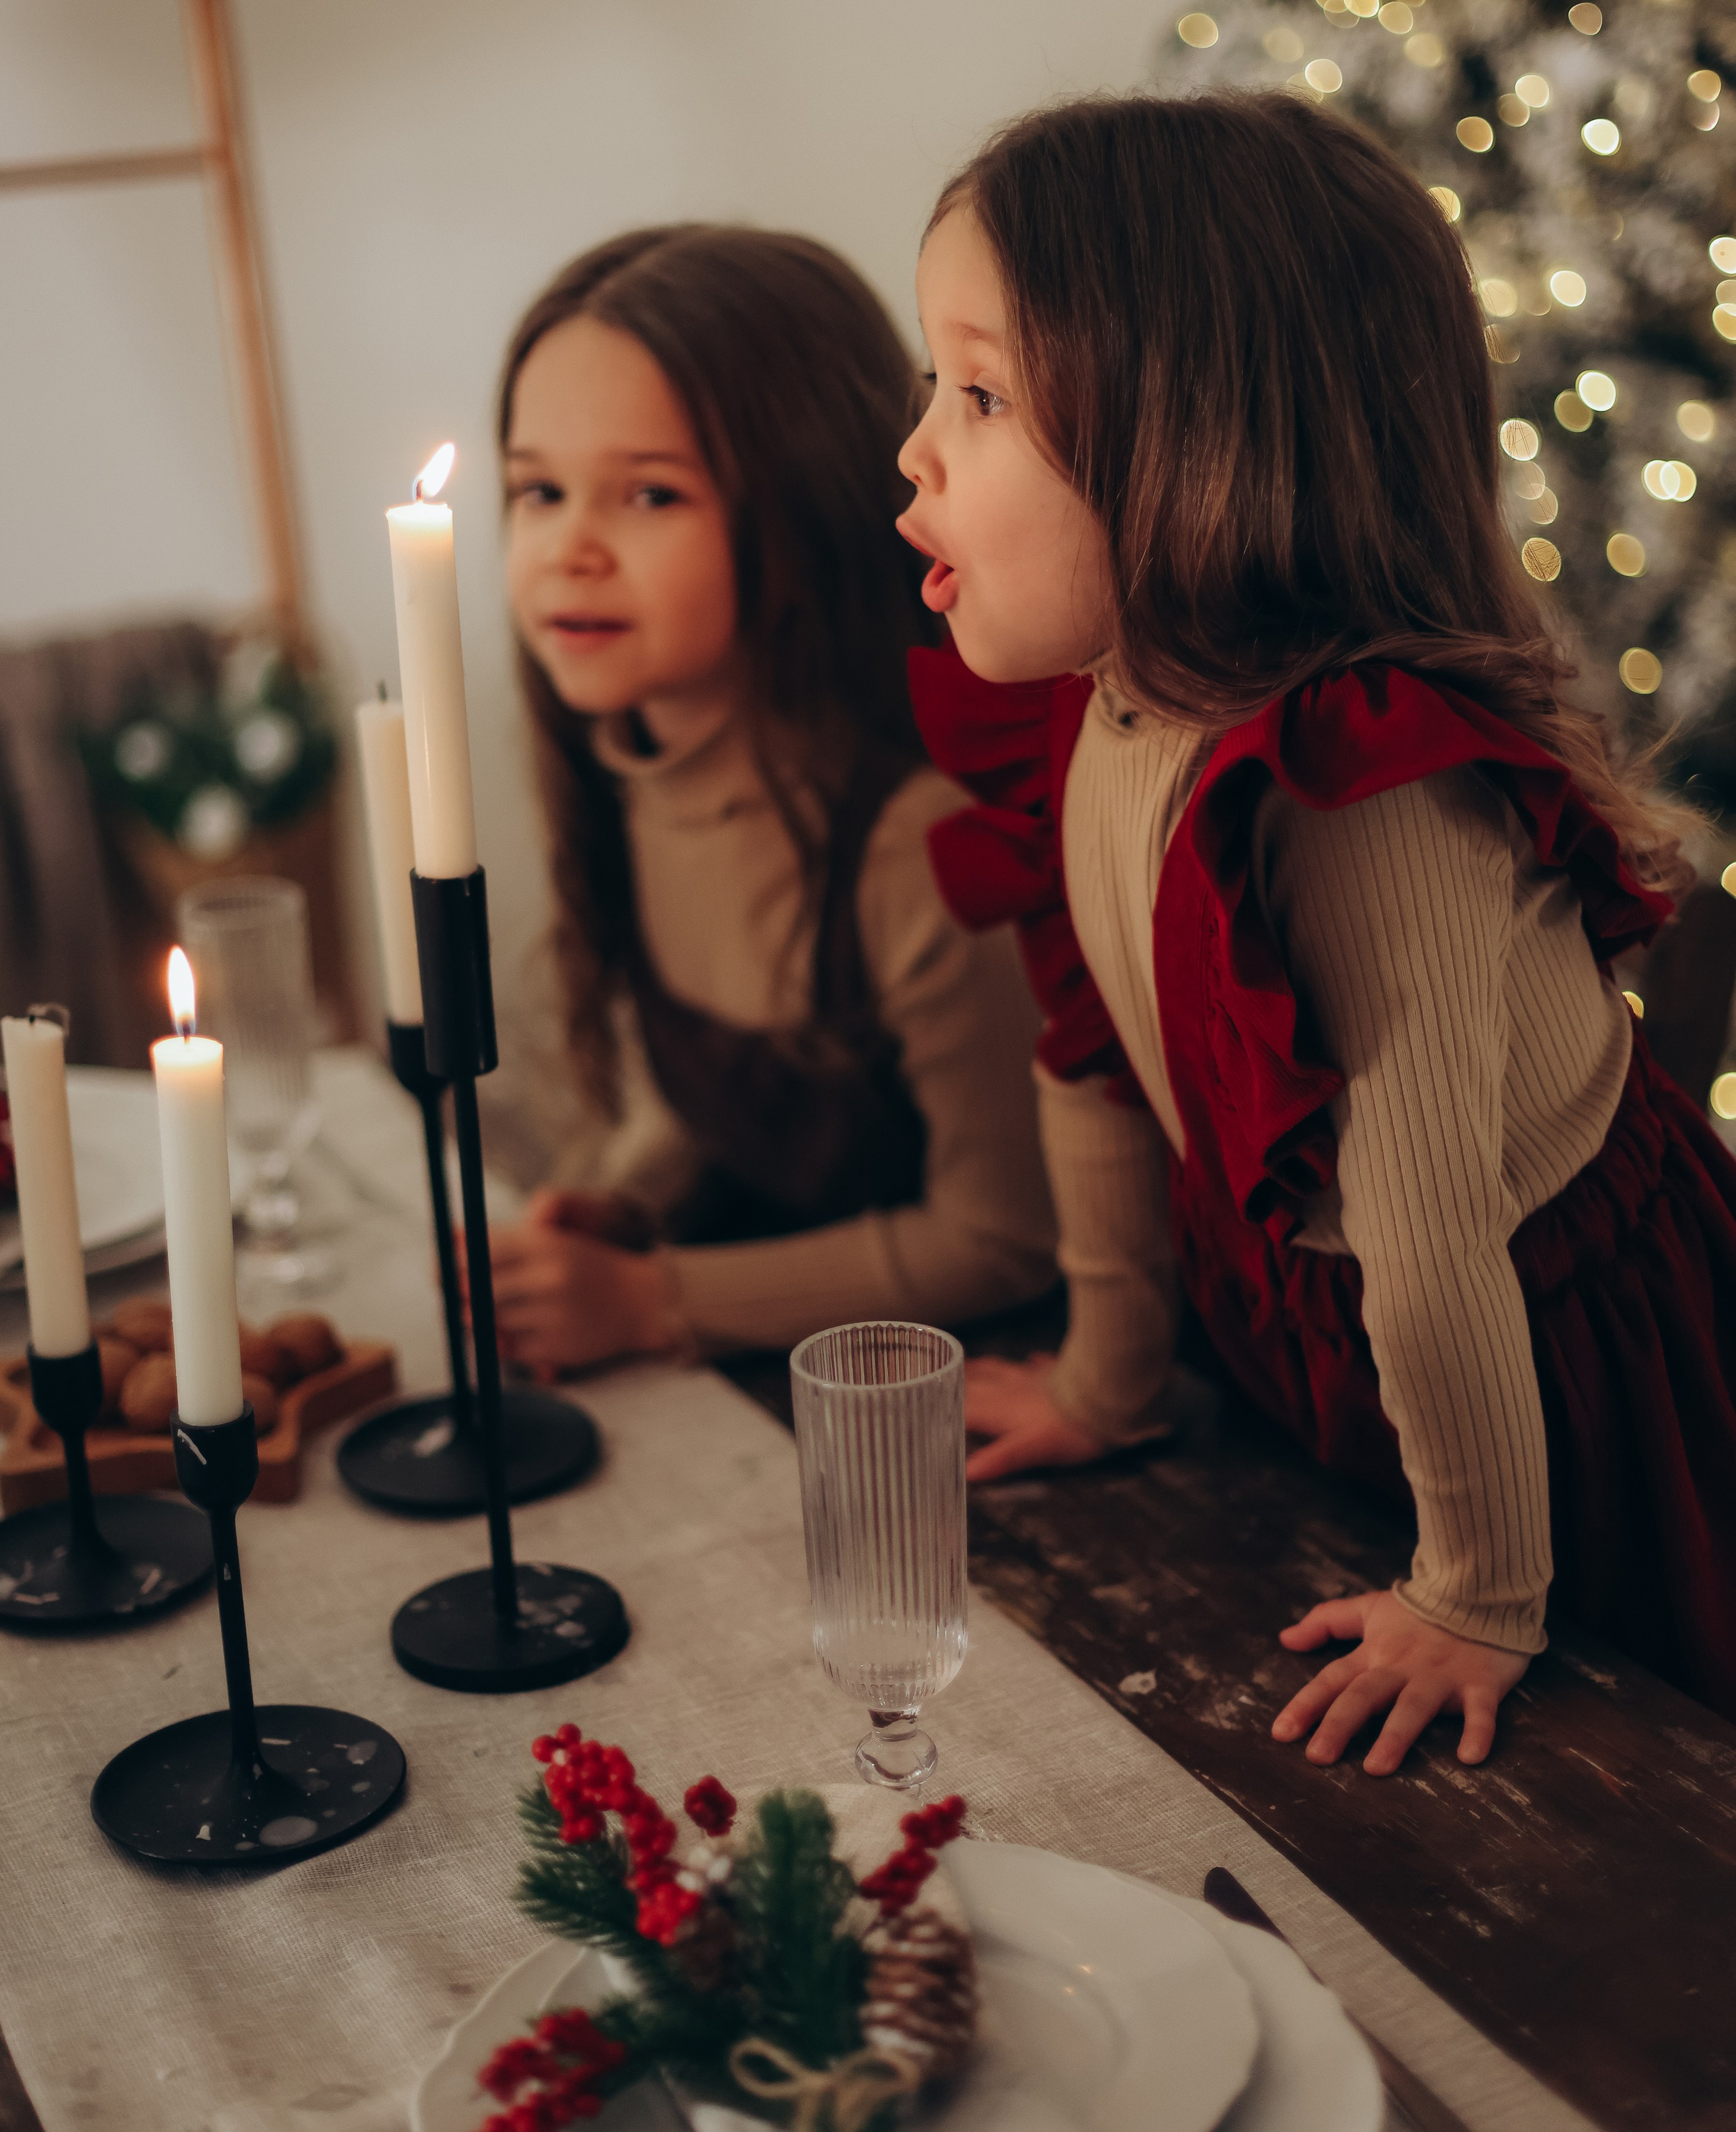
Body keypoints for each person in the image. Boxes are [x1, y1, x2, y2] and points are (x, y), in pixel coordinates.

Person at [898, 91, 1736, 1769]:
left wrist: (1477, 1589)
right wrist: (1105, 1372)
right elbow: (1098, 1058)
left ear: (1199, 444)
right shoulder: (1105, 705)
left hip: (1571, 1368)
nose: (915, 448)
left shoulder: (1362, 791)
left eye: (980, 394)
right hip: (1373, 1365)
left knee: (1656, 1748)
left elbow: (1431, 1244)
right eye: (940, 382)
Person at [482, 223, 1057, 1373]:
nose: (569, 551)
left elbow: (1005, 1238)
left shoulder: (919, 847)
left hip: (961, 1399)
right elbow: (724, 1114)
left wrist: (656, 1298)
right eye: (538, 491)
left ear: (802, 508)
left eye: (649, 496)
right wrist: (630, 1213)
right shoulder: (627, 768)